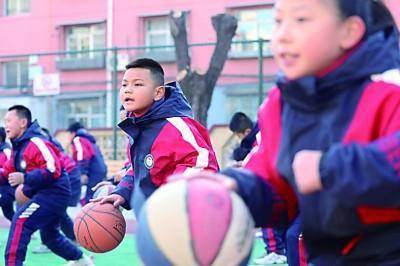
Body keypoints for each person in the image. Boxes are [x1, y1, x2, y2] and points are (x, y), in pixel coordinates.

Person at [199, 0, 400, 265]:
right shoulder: (281, 104)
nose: (282, 35)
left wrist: (329, 168)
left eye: (301, 20)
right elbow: (277, 187)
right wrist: (235, 190)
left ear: (349, 32)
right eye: (278, 21)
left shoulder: (389, 87)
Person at [93, 58, 219, 215]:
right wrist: (121, 192)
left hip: (185, 216)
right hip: (154, 214)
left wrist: (169, 194)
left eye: (137, 84)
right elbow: (137, 169)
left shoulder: (176, 125)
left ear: (158, 92)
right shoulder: (137, 129)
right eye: (124, 84)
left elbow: (203, 164)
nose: (128, 90)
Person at [1, 105, 93, 266]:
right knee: (50, 237)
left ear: (23, 122)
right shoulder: (18, 146)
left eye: (9, 120)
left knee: (21, 220)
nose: (5, 124)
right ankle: (81, 260)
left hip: (55, 193)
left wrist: (25, 177)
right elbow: (6, 171)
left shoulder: (36, 142)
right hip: (43, 194)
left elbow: (53, 169)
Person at [229, 112, 287, 265]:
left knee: (267, 213)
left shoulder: (261, 135)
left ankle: (275, 250)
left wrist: (243, 163)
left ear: (246, 132)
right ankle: (276, 248)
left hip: (269, 180)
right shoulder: (254, 136)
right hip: (267, 179)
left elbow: (261, 156)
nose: (239, 139)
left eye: (238, 135)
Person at [31, 127, 82, 254]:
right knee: (57, 211)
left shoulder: (43, 148)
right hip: (69, 176)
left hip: (68, 177)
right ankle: (74, 238)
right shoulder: (48, 144)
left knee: (48, 207)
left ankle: (51, 241)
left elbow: (51, 170)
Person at [67, 121, 107, 205]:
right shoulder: (89, 140)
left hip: (93, 172)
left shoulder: (78, 139)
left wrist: (82, 173)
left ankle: (88, 217)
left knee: (88, 199)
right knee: (93, 197)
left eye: (69, 134)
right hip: (100, 170)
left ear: (73, 133)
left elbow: (82, 156)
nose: (69, 137)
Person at [0, 127, 14, 222]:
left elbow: (11, 169)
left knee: (8, 210)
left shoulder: (7, 152)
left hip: (8, 187)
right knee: (8, 212)